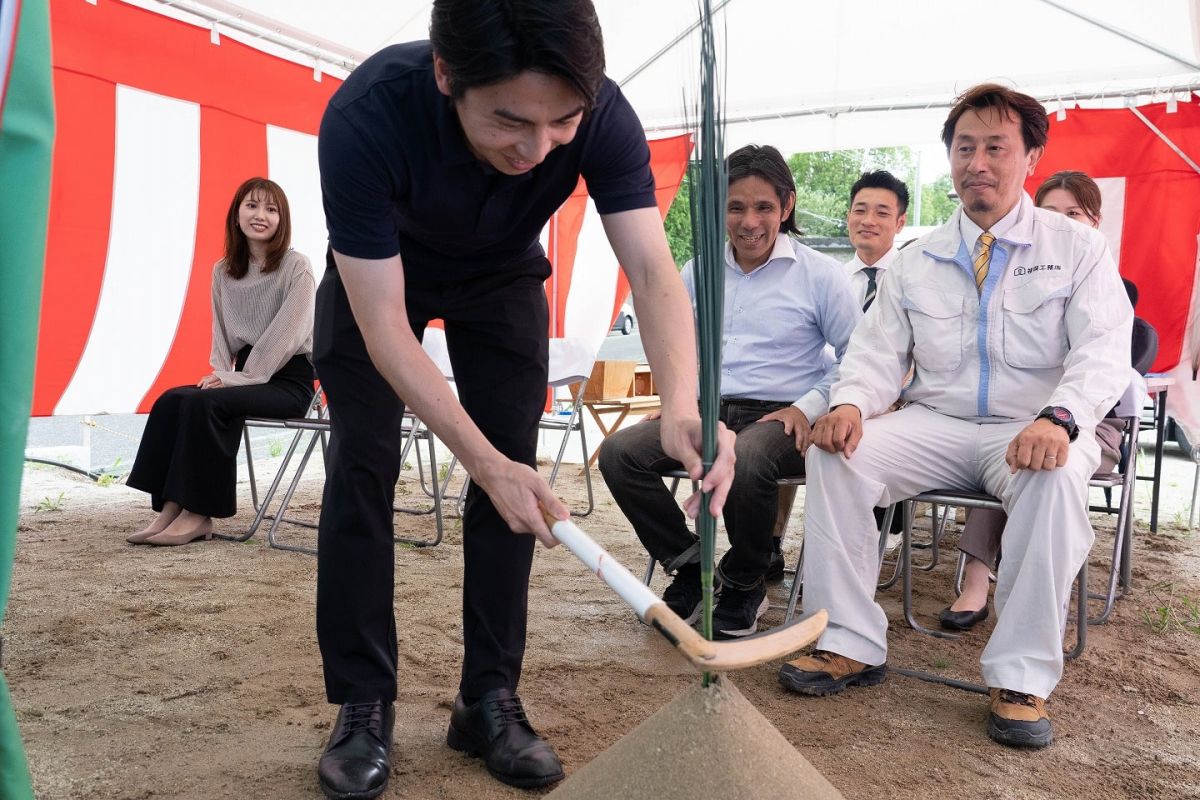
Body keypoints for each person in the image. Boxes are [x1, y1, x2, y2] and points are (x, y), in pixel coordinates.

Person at [312, 2, 735, 797]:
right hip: (378, 279)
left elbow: (649, 265)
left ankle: (487, 698)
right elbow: (387, 330)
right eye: (510, 122)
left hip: (503, 273)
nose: (537, 150)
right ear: (447, 76)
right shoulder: (366, 115)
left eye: (562, 124)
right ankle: (363, 700)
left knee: (518, 489)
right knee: (360, 473)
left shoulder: (603, 113)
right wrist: (482, 462)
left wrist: (683, 401)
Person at [777, 84, 1132, 750]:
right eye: (965, 147)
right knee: (835, 454)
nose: (978, 162)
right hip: (937, 422)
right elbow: (877, 353)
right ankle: (850, 639)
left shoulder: (1075, 248)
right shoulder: (918, 259)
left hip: (1033, 424)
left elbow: (1105, 349)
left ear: (1029, 156)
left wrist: (1061, 417)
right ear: (950, 160)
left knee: (1054, 478)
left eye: (996, 147)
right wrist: (852, 402)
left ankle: (1021, 676)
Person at [599, 144, 859, 640]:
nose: (749, 221)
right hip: (705, 411)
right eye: (735, 206)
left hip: (778, 419)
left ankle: (745, 582)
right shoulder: (699, 270)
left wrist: (806, 407)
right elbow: (676, 344)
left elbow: (857, 358)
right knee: (619, 452)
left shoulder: (821, 276)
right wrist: (678, 403)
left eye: (763, 207)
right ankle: (692, 565)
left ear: (787, 207)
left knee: (749, 459)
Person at [942, 170, 1137, 631]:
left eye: (1074, 214)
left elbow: (1114, 371)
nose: (1062, 223)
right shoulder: (1005, 279)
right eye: (1050, 214)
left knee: (1038, 458)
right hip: (1012, 421)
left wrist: (1063, 413)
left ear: (1095, 221)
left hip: (1095, 424)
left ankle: (987, 587)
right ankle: (978, 576)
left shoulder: (1114, 288)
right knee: (1008, 443)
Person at [125, 178, 315, 547]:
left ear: (282, 220)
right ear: (237, 213)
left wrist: (242, 378)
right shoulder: (224, 270)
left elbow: (288, 334)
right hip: (244, 372)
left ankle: (198, 514)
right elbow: (221, 333)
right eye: (252, 206)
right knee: (173, 399)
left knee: (209, 404)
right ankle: (170, 507)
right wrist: (220, 374)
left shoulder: (297, 267)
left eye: (271, 209)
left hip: (288, 380)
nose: (260, 215)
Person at [844, 169, 910, 543]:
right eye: (860, 210)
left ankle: (885, 528)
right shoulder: (833, 280)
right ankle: (770, 545)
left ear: (900, 222)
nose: (868, 221)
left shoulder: (914, 277)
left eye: (882, 213)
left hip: (895, 400)